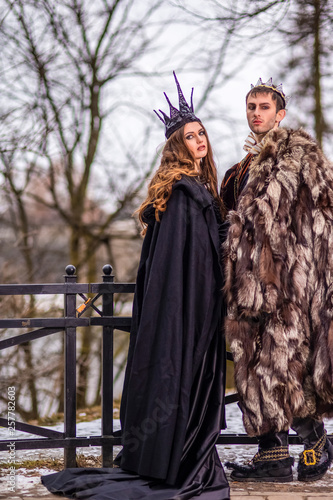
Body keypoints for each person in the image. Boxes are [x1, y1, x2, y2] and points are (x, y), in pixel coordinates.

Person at [42, 72, 230, 499]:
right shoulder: (184, 193)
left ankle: (173, 454)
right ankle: (177, 459)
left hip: (195, 310)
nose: (199, 140)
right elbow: (188, 267)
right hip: (190, 314)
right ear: (176, 146)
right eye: (190, 136)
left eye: (201, 133)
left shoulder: (197, 189)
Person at [221, 77, 333, 483]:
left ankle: (315, 441)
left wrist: (314, 281)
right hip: (247, 288)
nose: (256, 113)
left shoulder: (302, 156)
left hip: (289, 284)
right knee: (252, 364)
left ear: (280, 113)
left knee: (289, 364)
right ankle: (273, 455)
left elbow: (325, 218)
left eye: (264, 107)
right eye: (251, 106)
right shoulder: (240, 170)